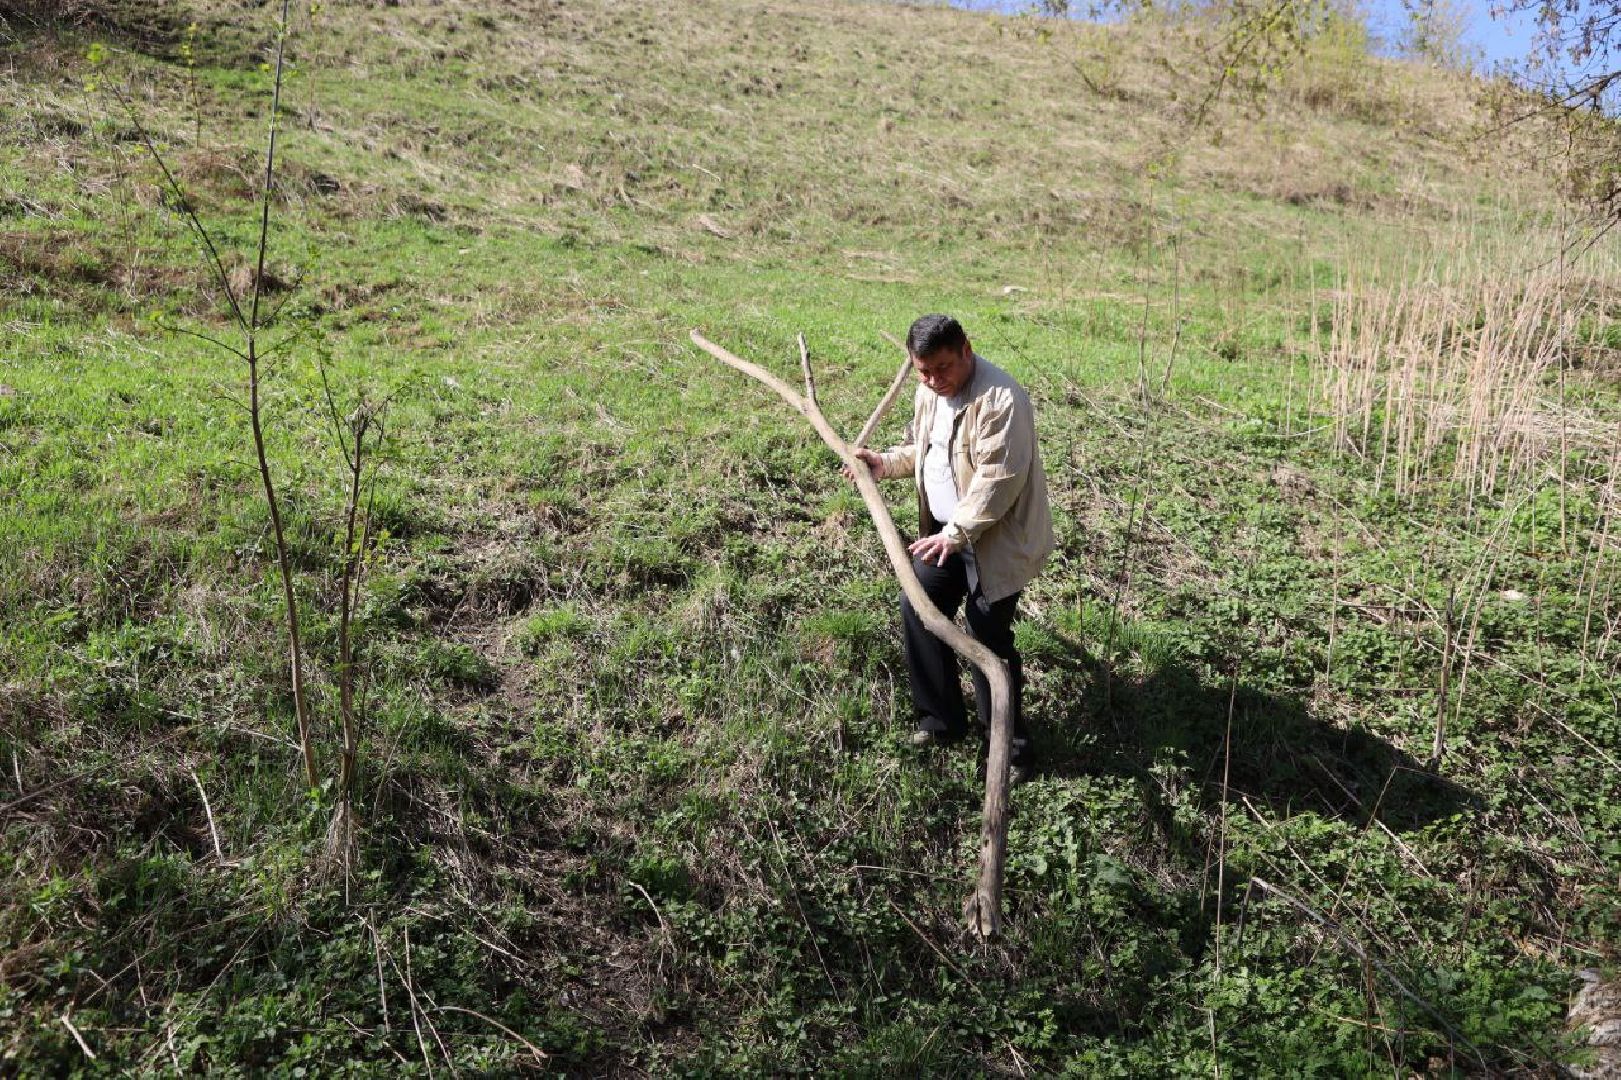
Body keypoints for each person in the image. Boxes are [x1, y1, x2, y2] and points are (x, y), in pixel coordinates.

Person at [847, 314, 1055, 780]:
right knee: (919, 604)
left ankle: (1011, 749)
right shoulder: (929, 393)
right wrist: (883, 462)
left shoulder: (1002, 399)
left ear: (966, 350)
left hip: (995, 541)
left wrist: (955, 534)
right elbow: (927, 450)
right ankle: (940, 721)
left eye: (942, 369)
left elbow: (997, 483)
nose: (933, 380)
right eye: (923, 371)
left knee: (987, 634)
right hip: (946, 535)